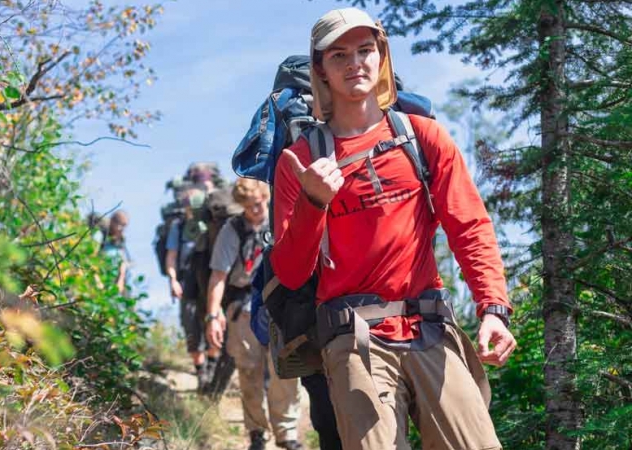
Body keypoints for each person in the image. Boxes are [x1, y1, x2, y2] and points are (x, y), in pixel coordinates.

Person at [271, 8, 517, 450]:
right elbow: (290, 273)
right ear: (321, 70)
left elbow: (469, 226)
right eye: (339, 55)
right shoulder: (301, 160)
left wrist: (493, 308)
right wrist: (313, 201)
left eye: (366, 50)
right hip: (352, 337)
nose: (355, 64)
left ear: (382, 56)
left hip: (430, 328)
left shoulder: (423, 137)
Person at [205, 178, 303, 450]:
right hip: (244, 306)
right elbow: (218, 276)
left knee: (285, 370)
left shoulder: (284, 218)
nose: (255, 210)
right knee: (249, 372)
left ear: (266, 197)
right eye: (248, 206)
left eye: (258, 203)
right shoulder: (232, 230)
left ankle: (287, 434)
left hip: (281, 304)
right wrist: (213, 315)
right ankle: (256, 433)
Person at [164, 188, 211, 387]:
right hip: (187, 285)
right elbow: (171, 257)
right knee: (192, 330)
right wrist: (173, 281)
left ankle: (212, 369)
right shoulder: (178, 226)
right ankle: (202, 374)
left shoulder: (211, 225)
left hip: (209, 285)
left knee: (213, 328)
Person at [100, 210, 132, 295]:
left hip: (116, 281)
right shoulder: (101, 237)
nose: (122, 229)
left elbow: (122, 261)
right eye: (120, 225)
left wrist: (121, 280)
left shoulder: (120, 241)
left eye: (124, 226)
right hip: (102, 279)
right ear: (112, 222)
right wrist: (98, 282)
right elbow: (92, 259)